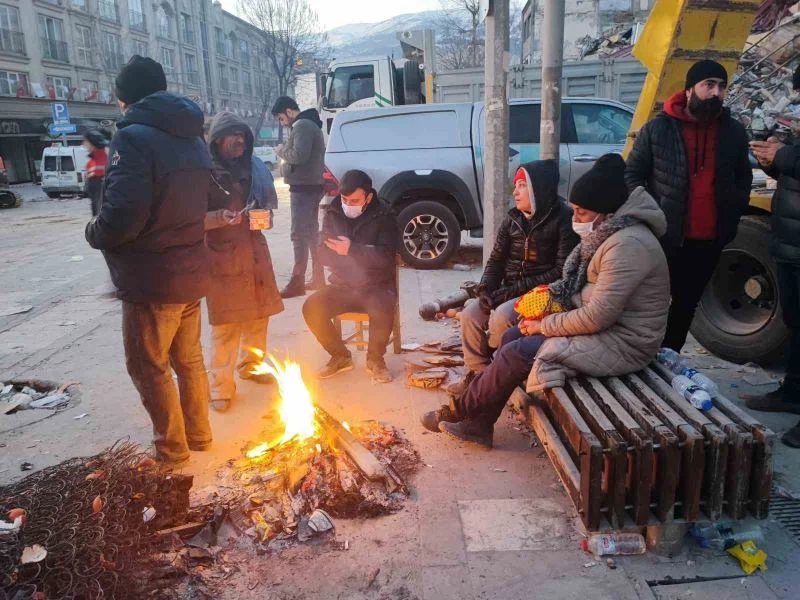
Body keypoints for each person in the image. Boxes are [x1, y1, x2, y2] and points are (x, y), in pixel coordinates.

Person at [421, 154, 670, 447]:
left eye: (582, 213)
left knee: (519, 349)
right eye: (574, 211)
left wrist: (544, 325)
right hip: (604, 328)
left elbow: (597, 317)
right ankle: (480, 422)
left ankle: (461, 409)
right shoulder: (611, 235)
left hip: (625, 341)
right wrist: (535, 306)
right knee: (512, 334)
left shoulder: (628, 246)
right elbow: (503, 263)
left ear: (605, 213)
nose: (575, 219)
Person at [85, 56, 213, 465]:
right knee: (189, 361)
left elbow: (123, 216)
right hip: (191, 271)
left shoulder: (134, 137)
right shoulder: (192, 136)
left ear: (126, 98)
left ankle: (172, 451)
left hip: (152, 279)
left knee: (149, 366)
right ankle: (199, 435)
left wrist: (94, 231)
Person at [625, 59, 752, 352]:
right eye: (708, 85)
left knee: (686, 305)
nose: (715, 92)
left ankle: (670, 361)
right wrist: (650, 214)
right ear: (690, 90)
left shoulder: (732, 132)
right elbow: (632, 174)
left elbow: (742, 178)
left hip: (709, 240)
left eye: (721, 86)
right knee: (651, 303)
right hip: (664, 237)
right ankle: (641, 358)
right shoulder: (658, 129)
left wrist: (731, 218)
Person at [458, 160, 577, 386]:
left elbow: (560, 271)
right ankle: (479, 375)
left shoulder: (563, 219)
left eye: (522, 185)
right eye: (516, 185)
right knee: (470, 315)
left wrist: (507, 293)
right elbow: (496, 260)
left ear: (538, 189)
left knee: (502, 316)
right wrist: (485, 289)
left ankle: (496, 373)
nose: (515, 191)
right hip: (508, 290)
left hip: (540, 295)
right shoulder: (513, 218)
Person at [205, 112, 285, 413]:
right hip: (222, 258)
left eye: (243, 135)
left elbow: (266, 207)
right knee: (226, 326)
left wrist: (264, 218)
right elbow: (187, 219)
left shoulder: (254, 169)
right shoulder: (204, 173)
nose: (239, 140)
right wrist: (217, 218)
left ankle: (251, 366)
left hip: (254, 254)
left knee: (257, 318)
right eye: (232, 135)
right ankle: (220, 388)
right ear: (217, 141)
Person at [746, 65, 800, 448]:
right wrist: (774, 163)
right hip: (790, 242)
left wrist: (784, 157)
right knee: (796, 321)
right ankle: (793, 392)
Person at [302, 170, 397, 383]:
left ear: (369, 197)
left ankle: (375, 359)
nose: (348, 205)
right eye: (345, 199)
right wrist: (359, 254)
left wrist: (351, 250)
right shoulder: (333, 212)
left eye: (354, 200)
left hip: (376, 285)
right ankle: (340, 356)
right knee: (311, 307)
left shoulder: (385, 215)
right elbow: (322, 254)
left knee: (383, 306)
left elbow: (385, 257)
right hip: (342, 286)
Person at [271, 96, 326, 298]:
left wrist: (281, 151)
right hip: (310, 186)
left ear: (288, 111)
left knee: (299, 235)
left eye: (280, 117)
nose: (281, 122)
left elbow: (299, 156)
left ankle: (297, 282)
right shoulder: (309, 124)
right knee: (311, 233)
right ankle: (318, 278)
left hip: (303, 188)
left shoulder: (302, 125)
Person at [83, 130, 108, 217]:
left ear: (93, 144)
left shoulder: (101, 161)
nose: (84, 144)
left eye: (86, 142)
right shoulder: (93, 161)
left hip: (102, 217)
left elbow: (100, 201)